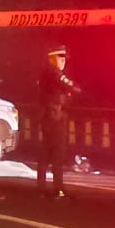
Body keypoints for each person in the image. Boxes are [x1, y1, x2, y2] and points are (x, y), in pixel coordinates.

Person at [37, 45, 81, 198]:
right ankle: (58, 188)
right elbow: (72, 87)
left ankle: (42, 188)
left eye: (64, 58)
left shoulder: (48, 73)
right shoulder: (53, 73)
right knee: (57, 153)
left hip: (51, 115)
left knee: (46, 153)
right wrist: (72, 89)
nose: (64, 61)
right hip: (55, 116)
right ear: (51, 58)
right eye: (60, 57)